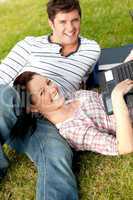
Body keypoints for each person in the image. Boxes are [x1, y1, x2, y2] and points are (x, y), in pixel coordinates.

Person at [0, 0, 101, 199]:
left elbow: (87, 81)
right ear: (51, 23)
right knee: (7, 95)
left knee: (58, 154)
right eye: (63, 22)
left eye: (75, 20)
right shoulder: (29, 44)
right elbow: (2, 78)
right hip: (14, 104)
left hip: (47, 119)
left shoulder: (92, 49)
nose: (70, 28)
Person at [13, 71, 133, 156]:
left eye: (48, 82)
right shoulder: (71, 130)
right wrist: (117, 97)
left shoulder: (73, 96)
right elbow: (125, 146)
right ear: (33, 108)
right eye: (42, 92)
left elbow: (105, 98)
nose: (52, 89)